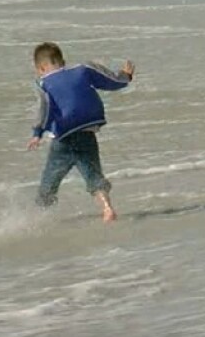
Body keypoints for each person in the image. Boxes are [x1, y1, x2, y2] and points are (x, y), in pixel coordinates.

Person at [27, 42, 135, 222]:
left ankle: (37, 218)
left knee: (48, 184)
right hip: (87, 134)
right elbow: (111, 81)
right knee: (94, 177)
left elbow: (44, 109)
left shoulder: (44, 83)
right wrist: (126, 76)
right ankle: (107, 209)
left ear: (41, 68)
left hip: (63, 141)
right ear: (63, 61)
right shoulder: (84, 69)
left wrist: (37, 132)